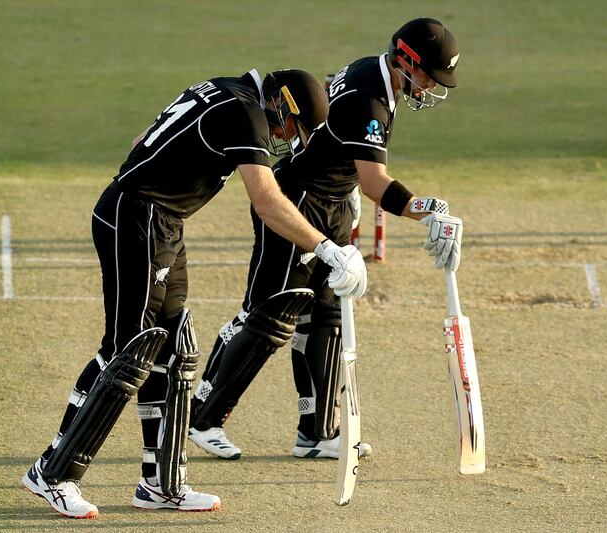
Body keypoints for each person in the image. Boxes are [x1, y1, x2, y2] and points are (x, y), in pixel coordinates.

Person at [20, 67, 367, 518]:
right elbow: (265, 199)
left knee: (172, 350)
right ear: (280, 102)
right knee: (127, 353)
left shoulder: (227, 89)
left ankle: (160, 483)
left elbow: (142, 139)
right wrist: (327, 248)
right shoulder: (245, 112)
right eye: (289, 126)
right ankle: (53, 472)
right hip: (139, 218)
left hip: (160, 221)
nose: (284, 137)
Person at [189, 17, 464, 461]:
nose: (432, 87)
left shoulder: (377, 77)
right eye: (432, 76)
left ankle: (317, 431)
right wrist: (425, 210)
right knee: (269, 315)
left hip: (333, 202)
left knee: (326, 317)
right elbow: (375, 181)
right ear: (407, 61)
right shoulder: (368, 99)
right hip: (295, 203)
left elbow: (354, 170)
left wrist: (348, 200)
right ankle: (204, 417)